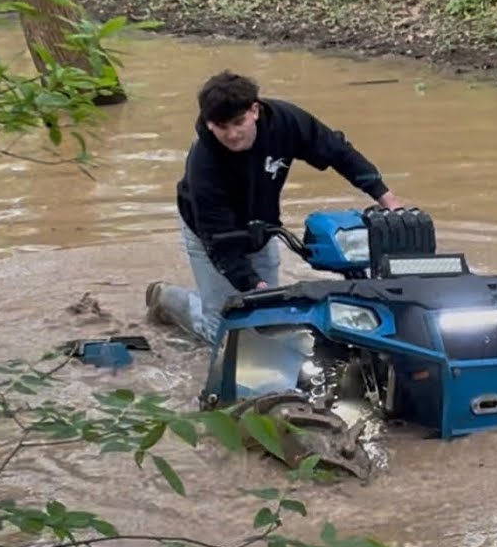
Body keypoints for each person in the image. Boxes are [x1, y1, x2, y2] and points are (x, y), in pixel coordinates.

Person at [146, 71, 404, 344]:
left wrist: (387, 200)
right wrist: (253, 284)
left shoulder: (286, 122)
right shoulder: (204, 164)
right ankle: (168, 299)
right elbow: (220, 242)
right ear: (210, 125)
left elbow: (338, 152)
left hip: (261, 225)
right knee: (223, 334)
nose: (233, 134)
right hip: (208, 233)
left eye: (238, 122)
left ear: (254, 110)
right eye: (222, 126)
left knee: (267, 324)